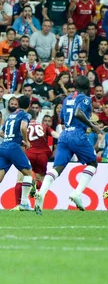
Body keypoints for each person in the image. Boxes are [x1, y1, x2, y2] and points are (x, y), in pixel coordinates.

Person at [35, 76, 102, 214]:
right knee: (93, 163)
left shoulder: (67, 99)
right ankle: (77, 193)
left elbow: (63, 119)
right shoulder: (85, 98)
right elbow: (78, 113)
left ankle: (41, 192)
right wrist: (92, 126)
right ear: (88, 86)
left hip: (65, 134)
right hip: (77, 134)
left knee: (57, 168)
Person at [15, 103, 59, 208]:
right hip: (42, 156)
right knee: (40, 180)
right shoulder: (43, 126)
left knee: (21, 179)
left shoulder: (23, 126)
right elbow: (55, 135)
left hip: (28, 153)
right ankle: (34, 186)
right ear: (37, 116)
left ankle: (18, 205)